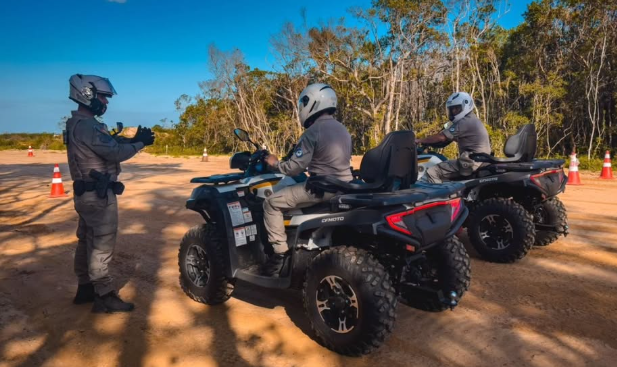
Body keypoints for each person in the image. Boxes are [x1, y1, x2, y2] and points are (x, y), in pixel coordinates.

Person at [65, 74, 155, 313]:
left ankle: (85, 288)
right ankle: (104, 295)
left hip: (85, 195)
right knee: (101, 245)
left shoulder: (77, 124)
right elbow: (114, 154)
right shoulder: (87, 126)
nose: (106, 102)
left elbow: (106, 148)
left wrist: (132, 139)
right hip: (98, 197)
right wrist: (140, 143)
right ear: (87, 94)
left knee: (85, 242)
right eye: (103, 97)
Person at [261, 83, 352, 276]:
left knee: (271, 203)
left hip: (322, 187)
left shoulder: (313, 132)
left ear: (312, 103)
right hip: (345, 186)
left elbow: (294, 168)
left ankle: (279, 254)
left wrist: (274, 162)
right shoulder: (342, 129)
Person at [416, 92, 491, 183]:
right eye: (452, 109)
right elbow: (450, 138)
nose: (454, 111)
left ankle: (439, 196)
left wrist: (419, 140)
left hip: (472, 162)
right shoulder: (471, 119)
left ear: (465, 105)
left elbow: (442, 137)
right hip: (477, 159)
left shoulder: (465, 122)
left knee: (432, 172)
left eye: (457, 108)